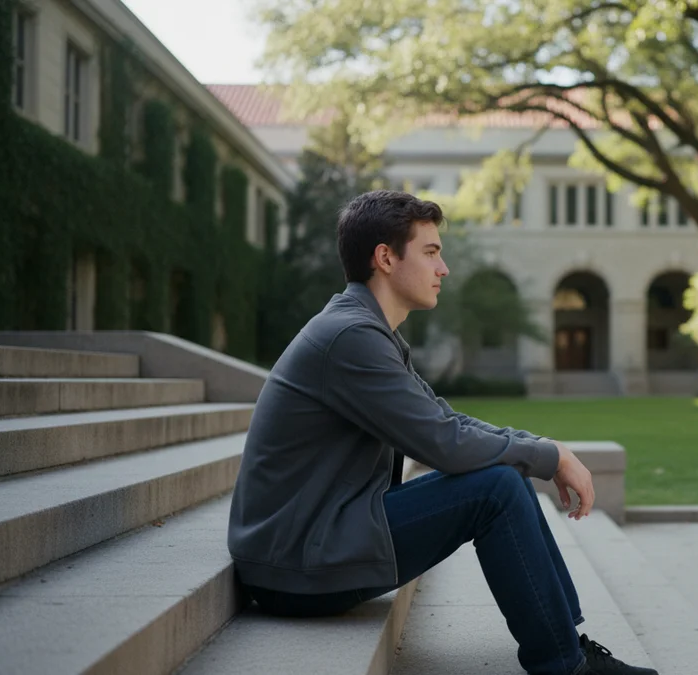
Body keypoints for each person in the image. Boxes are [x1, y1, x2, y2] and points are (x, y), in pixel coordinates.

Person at [228, 190, 657, 675]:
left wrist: (542, 449)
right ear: (385, 258)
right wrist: (550, 457)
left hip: (312, 543)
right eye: (431, 252)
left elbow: (448, 421)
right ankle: (563, 663)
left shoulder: (369, 331)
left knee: (504, 475)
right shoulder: (351, 338)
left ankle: (567, 647)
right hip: (296, 562)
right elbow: (442, 444)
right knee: (495, 485)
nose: (444, 268)